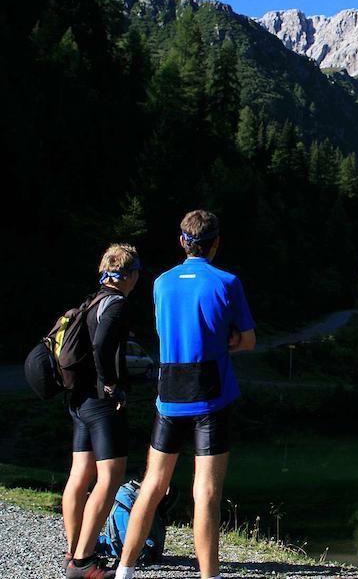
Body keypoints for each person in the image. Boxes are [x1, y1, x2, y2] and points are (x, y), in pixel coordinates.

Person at [115, 210, 255, 579]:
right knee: (206, 490)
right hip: (212, 395)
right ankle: (209, 576)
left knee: (153, 483)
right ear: (216, 243)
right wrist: (231, 342)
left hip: (169, 391)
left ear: (182, 241)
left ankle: (125, 569)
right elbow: (249, 339)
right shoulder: (228, 282)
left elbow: (165, 330)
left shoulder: (160, 283)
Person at [64, 244, 140, 579]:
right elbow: (101, 344)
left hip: (79, 401)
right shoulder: (118, 305)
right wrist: (110, 383)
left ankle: (74, 551)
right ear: (131, 274)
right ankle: (83, 562)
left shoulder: (91, 301)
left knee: (80, 475)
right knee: (110, 478)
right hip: (100, 402)